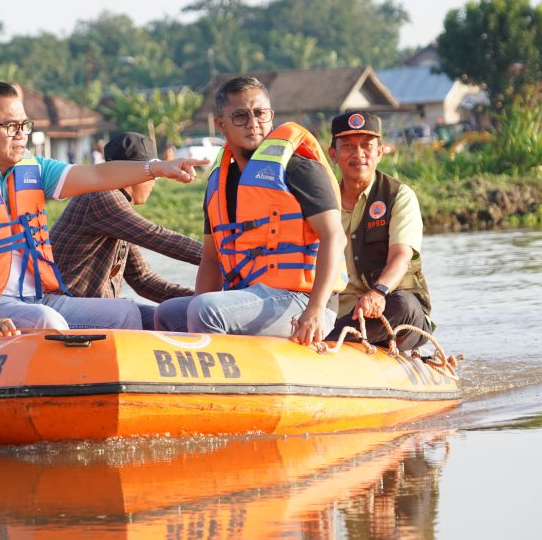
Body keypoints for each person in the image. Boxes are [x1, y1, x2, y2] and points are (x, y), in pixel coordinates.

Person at [0, 81, 207, 346]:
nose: (21, 136)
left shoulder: (34, 169)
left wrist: (156, 167)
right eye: (10, 127)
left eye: (24, 125)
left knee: (125, 314)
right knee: (48, 322)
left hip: (36, 299)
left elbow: (95, 175)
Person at [154, 75, 347, 347]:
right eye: (240, 116)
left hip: (303, 300)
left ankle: (219, 385)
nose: (253, 123)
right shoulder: (218, 185)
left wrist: (314, 310)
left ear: (271, 116)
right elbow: (211, 259)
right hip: (248, 297)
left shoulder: (299, 168)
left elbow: (334, 237)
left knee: (206, 310)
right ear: (221, 125)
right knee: (170, 314)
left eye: (260, 114)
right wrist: (196, 309)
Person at [50, 132, 203, 330]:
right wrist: (221, 258)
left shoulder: (116, 211)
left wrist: (202, 297)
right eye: (153, 174)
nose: (154, 182)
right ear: (134, 174)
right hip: (67, 308)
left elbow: (143, 280)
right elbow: (156, 236)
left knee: (165, 317)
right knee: (134, 314)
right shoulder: (102, 196)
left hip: (92, 307)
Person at [325, 111, 433, 350]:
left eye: (367, 146)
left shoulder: (398, 196)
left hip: (391, 306)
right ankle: (333, 337)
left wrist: (378, 292)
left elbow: (400, 255)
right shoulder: (322, 200)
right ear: (333, 154)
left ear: (380, 151)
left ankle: (328, 342)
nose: (359, 154)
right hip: (337, 311)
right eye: (348, 147)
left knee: (403, 305)